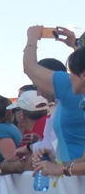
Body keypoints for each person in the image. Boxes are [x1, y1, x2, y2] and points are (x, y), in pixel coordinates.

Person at [24, 26, 85, 162]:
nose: (69, 76)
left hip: (74, 179)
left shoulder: (67, 86)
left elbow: (29, 67)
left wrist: (32, 38)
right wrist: (76, 45)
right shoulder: (74, 91)